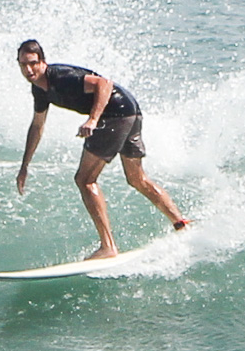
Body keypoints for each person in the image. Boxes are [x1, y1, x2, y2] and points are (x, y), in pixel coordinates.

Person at [15, 39, 189, 260]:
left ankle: (108, 246)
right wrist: (24, 166)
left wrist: (93, 120)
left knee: (85, 179)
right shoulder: (39, 90)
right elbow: (37, 125)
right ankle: (180, 223)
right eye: (23, 65)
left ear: (43, 62)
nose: (28, 70)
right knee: (137, 178)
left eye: (33, 63)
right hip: (129, 111)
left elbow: (104, 84)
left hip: (116, 114)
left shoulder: (60, 77)